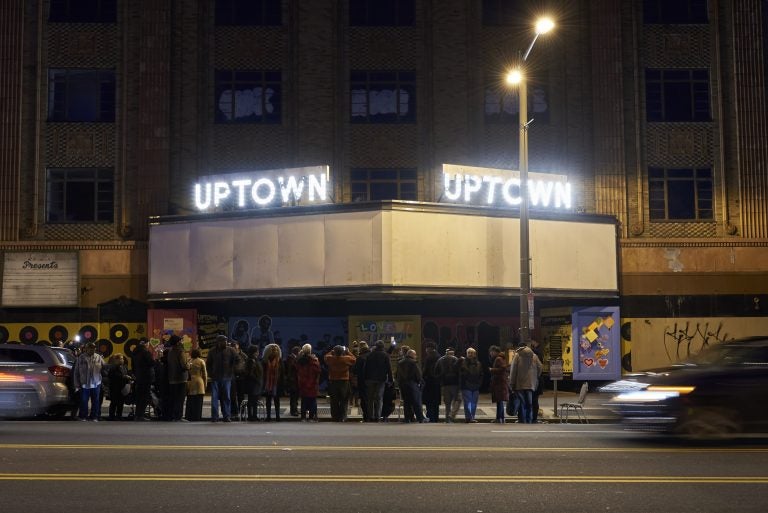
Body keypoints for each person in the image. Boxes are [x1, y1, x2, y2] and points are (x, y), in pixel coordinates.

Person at [206, 335, 239, 422]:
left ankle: (226, 416)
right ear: (218, 342)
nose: (225, 342)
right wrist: (211, 374)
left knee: (226, 398)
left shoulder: (231, 350)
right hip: (215, 378)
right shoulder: (212, 351)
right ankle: (215, 416)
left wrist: (233, 370)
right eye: (223, 341)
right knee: (214, 398)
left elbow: (238, 359)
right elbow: (208, 363)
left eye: (226, 341)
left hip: (227, 378)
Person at [509, 342, 543, 424]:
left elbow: (513, 370)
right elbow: (540, 367)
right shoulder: (534, 356)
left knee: (522, 403)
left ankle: (522, 419)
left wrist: (512, 383)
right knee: (529, 403)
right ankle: (529, 419)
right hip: (531, 384)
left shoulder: (517, 356)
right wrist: (535, 377)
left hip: (519, 384)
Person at [73, 342, 106, 421]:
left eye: (93, 348)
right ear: (86, 349)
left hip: (96, 382)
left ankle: (94, 416)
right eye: (90, 348)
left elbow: (104, 368)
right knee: (84, 400)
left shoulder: (98, 357)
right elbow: (76, 372)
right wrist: (76, 384)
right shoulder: (81, 358)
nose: (92, 350)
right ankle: (83, 416)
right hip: (84, 383)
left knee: (95, 401)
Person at [324, 345, 356, 422]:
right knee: (344, 400)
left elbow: (325, 357)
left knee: (334, 400)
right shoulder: (346, 359)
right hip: (344, 382)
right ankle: (343, 417)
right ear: (343, 352)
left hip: (333, 381)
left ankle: (335, 417)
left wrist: (332, 351)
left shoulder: (331, 358)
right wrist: (348, 351)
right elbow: (354, 359)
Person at [364, 340, 393, 422]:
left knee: (370, 398)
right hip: (381, 379)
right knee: (379, 398)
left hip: (369, 379)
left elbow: (366, 367)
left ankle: (370, 416)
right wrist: (390, 379)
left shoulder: (370, 355)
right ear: (383, 346)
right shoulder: (385, 355)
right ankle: (378, 416)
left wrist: (365, 378)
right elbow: (389, 368)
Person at [396, 349, 427, 423]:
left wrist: (399, 383)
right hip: (412, 384)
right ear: (412, 355)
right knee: (416, 402)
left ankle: (407, 418)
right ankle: (420, 418)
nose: (416, 356)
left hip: (403, 385)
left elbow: (397, 375)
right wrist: (421, 382)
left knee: (406, 402)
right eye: (415, 354)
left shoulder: (400, 362)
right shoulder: (413, 362)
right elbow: (418, 374)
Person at [166, 335, 190, 421]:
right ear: (178, 342)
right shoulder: (181, 351)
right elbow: (184, 365)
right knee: (180, 399)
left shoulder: (170, 351)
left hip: (172, 378)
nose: (182, 342)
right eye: (181, 340)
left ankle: (173, 416)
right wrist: (189, 365)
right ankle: (178, 417)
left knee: (174, 398)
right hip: (181, 378)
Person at [131, 338, 155, 421]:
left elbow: (133, 366)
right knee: (144, 397)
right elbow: (151, 363)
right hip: (147, 377)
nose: (148, 345)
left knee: (139, 396)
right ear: (145, 344)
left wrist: (135, 374)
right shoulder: (146, 352)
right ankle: (140, 415)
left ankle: (137, 415)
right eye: (148, 344)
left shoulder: (134, 352)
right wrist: (158, 359)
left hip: (139, 377)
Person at [296, 344, 321, 421]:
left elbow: (297, 370)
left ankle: (303, 417)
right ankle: (311, 417)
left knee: (304, 401)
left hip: (303, 383)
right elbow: (318, 371)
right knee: (312, 401)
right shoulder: (314, 360)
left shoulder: (300, 360)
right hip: (312, 383)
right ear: (310, 350)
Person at [435, 347, 460, 423]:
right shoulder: (456, 359)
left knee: (447, 403)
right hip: (455, 384)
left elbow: (435, 372)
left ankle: (447, 418)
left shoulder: (440, 360)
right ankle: (452, 415)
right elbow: (460, 371)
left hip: (444, 384)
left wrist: (441, 380)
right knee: (458, 400)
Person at [458, 347, 483, 423]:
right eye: (469, 353)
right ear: (466, 354)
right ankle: (468, 417)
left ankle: (472, 417)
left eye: (472, 353)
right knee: (467, 403)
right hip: (466, 386)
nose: (470, 354)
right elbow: (459, 372)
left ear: (475, 354)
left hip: (475, 386)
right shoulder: (463, 362)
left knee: (474, 403)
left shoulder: (478, 363)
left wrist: (479, 384)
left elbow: (481, 374)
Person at [262, 343, 284, 421]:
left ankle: (278, 416)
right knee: (268, 401)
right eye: (273, 350)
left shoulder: (280, 361)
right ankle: (268, 417)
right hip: (267, 384)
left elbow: (282, 373)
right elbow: (263, 373)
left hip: (276, 383)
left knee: (277, 401)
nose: (275, 351)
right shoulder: (264, 361)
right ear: (268, 351)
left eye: (276, 350)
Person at [421, 341, 441, 423]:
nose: (425, 350)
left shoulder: (429, 358)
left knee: (429, 402)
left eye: (426, 348)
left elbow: (425, 371)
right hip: (437, 382)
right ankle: (436, 418)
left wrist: (422, 378)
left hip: (429, 382)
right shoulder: (439, 356)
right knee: (435, 402)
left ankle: (430, 417)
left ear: (430, 348)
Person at [489, 345, 509, 423]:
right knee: (499, 401)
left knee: (499, 401)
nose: (490, 353)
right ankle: (500, 418)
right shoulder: (501, 358)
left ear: (494, 351)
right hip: (501, 383)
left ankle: (499, 418)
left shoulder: (498, 358)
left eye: (491, 352)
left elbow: (503, 368)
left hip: (499, 383)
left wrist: (492, 369)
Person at [107, 354, 131, 421]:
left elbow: (126, 374)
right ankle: (111, 416)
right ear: (116, 360)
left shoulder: (124, 367)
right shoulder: (112, 367)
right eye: (120, 358)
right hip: (114, 388)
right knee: (114, 403)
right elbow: (112, 376)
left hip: (122, 387)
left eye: (122, 359)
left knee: (121, 403)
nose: (122, 360)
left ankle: (119, 416)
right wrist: (124, 377)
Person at [186, 348, 207, 421]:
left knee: (190, 400)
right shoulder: (201, 361)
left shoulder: (189, 361)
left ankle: (189, 416)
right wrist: (205, 384)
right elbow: (204, 374)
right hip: (199, 381)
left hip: (190, 382)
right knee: (198, 401)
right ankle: (197, 416)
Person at [243, 346, 263, 421]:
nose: (258, 353)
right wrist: (257, 379)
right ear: (254, 352)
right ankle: (251, 416)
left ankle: (254, 415)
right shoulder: (251, 361)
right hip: (252, 384)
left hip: (254, 383)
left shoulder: (254, 360)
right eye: (257, 351)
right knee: (252, 401)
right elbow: (250, 373)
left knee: (254, 401)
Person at [353, 341, 370, 422]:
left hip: (362, 381)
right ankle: (374, 416)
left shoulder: (360, 358)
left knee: (364, 399)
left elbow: (355, 370)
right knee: (373, 399)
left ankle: (366, 417)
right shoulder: (372, 356)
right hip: (372, 380)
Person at [284, 346, 300, 416]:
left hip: (295, 380)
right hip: (293, 381)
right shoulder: (290, 358)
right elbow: (291, 369)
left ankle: (295, 409)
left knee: (296, 396)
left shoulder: (294, 358)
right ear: (297, 351)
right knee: (293, 397)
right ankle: (293, 411)